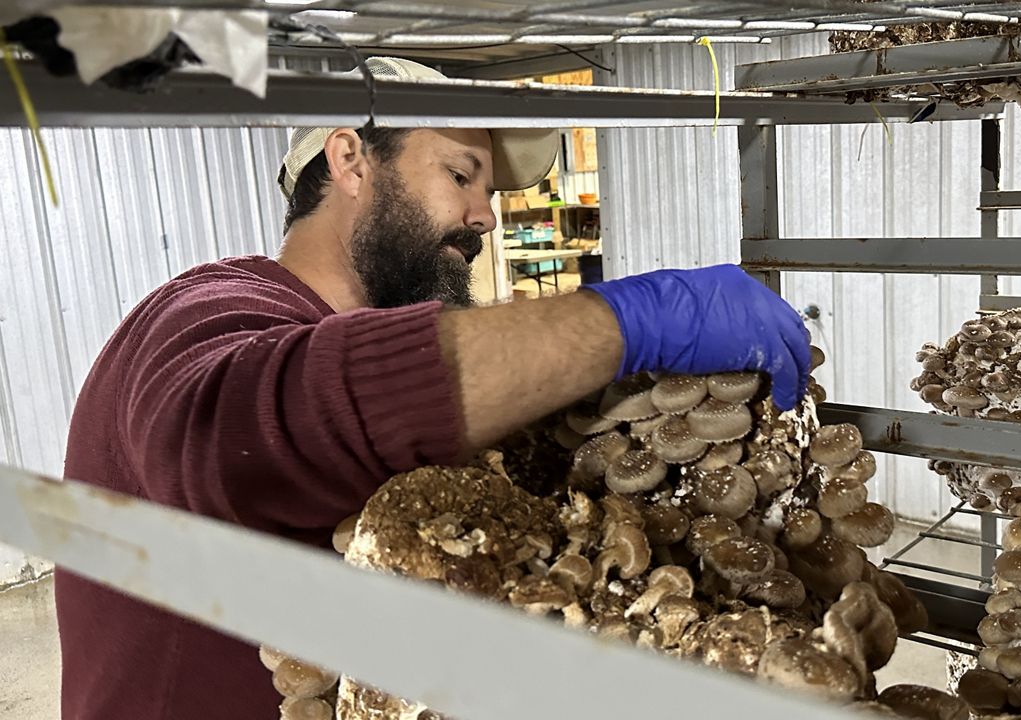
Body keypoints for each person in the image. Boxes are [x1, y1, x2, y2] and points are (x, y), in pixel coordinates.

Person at [54, 56, 811, 720]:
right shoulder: (205, 311)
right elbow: (233, 441)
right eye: (460, 175)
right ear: (351, 160)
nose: (484, 216)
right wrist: (624, 323)